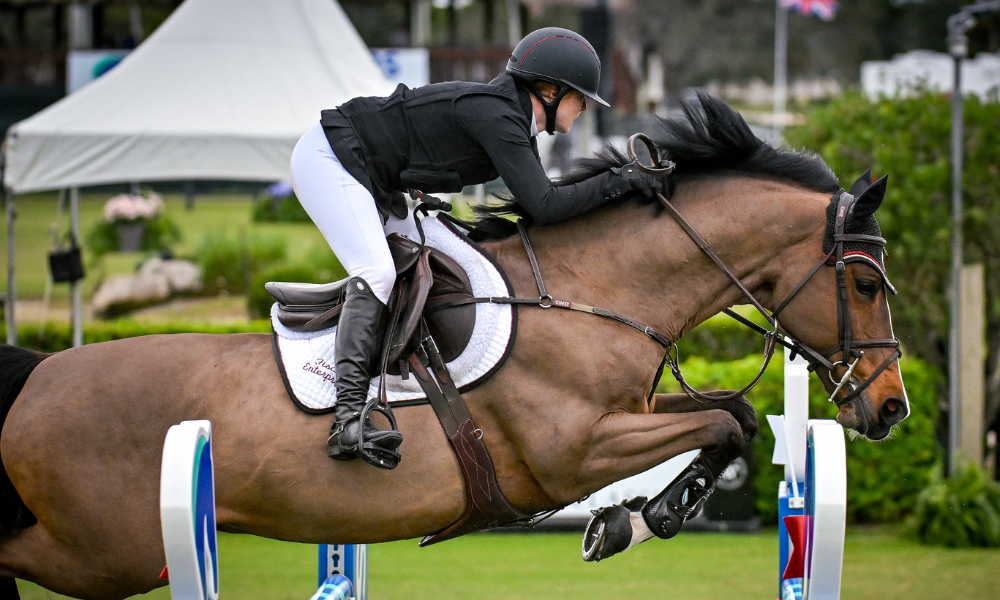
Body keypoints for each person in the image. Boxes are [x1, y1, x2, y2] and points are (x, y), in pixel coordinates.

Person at [289, 27, 669, 470]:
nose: (584, 107)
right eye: (579, 97)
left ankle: (398, 381)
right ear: (548, 90)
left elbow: (545, 199)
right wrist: (620, 181)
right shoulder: (499, 116)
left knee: (436, 258)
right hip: (330, 158)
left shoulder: (510, 120)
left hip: (374, 177)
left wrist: (620, 182)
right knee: (378, 273)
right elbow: (545, 205)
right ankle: (347, 418)